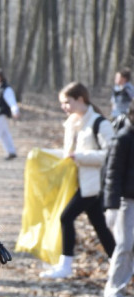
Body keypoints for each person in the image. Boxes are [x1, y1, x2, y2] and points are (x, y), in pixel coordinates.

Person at [40, 82, 116, 279]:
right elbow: (69, 155)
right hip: (82, 182)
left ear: (80, 99)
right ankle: (121, 265)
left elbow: (112, 154)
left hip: (94, 184)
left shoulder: (100, 123)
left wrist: (80, 157)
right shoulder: (75, 123)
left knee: (66, 217)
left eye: (67, 102)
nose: (64, 106)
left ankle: (66, 266)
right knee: (100, 225)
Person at [101, 98, 134, 297]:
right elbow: (111, 174)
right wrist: (111, 206)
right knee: (124, 245)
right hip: (125, 201)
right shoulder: (123, 138)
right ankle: (113, 289)